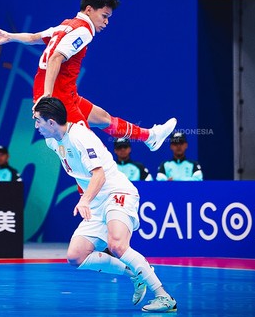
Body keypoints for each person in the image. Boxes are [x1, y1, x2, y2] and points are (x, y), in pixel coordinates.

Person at [0, 0, 177, 151]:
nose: (106, 22)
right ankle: (93, 194)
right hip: (59, 99)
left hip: (64, 94)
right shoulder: (84, 30)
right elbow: (55, 59)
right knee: (91, 153)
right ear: (88, 10)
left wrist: (10, 36)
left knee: (103, 118)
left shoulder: (65, 26)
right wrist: (48, 98)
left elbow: (35, 37)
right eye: (104, 16)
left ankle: (150, 137)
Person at [32, 97, 177, 313]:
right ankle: (134, 272)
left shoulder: (81, 138)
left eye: (38, 121)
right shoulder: (53, 141)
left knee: (117, 245)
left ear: (51, 122)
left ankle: (164, 296)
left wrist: (84, 199)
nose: (36, 126)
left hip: (116, 192)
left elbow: (98, 175)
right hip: (97, 201)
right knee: (76, 256)